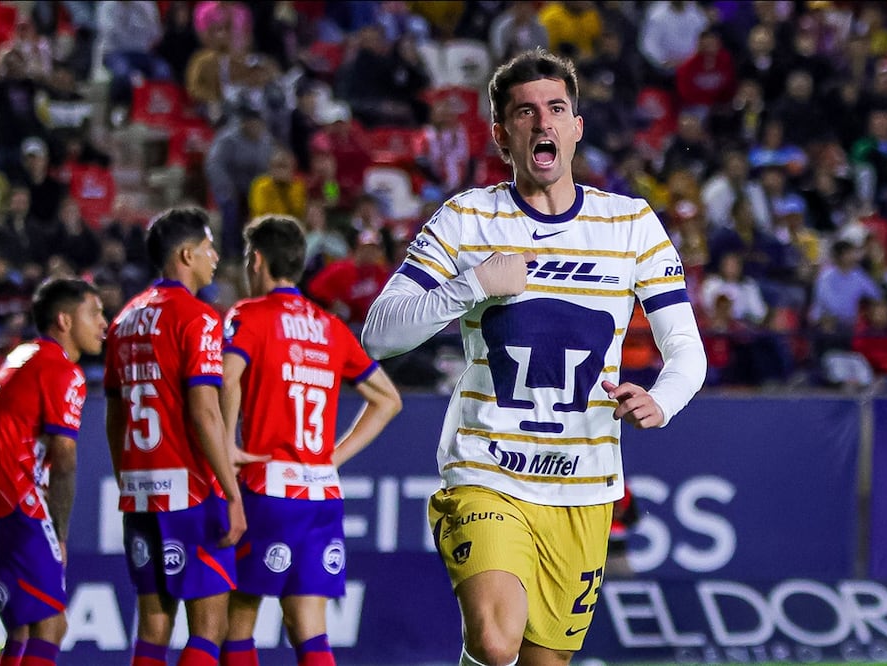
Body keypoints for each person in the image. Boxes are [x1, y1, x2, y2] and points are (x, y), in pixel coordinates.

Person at [361, 48, 706, 666]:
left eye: (556, 109)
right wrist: (474, 284)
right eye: (525, 112)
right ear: (501, 134)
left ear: (576, 127)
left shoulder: (630, 223)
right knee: (496, 643)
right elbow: (379, 334)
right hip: (487, 472)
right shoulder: (466, 219)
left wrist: (663, 398)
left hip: (585, 487)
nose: (543, 122)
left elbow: (686, 348)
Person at [218, 215, 402, 666]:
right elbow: (388, 400)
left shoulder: (249, 316)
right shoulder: (329, 326)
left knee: (236, 619)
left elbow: (227, 377)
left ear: (256, 261)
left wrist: (224, 443)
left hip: (267, 488)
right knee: (309, 628)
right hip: (321, 493)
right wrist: (331, 458)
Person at [104, 207, 248, 666]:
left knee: (152, 626)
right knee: (210, 627)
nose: (215, 257)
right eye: (208, 248)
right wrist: (232, 494)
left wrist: (127, 480)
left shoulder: (124, 320)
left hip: (140, 491)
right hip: (191, 492)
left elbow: (114, 417)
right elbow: (205, 412)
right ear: (187, 255)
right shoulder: (198, 318)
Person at [0, 278, 107, 666]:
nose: (103, 323)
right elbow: (65, 460)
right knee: (52, 624)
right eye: (94, 313)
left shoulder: (21, 354)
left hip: (1, 497)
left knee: (21, 627)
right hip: (12, 498)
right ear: (64, 320)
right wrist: (59, 535)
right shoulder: (63, 370)